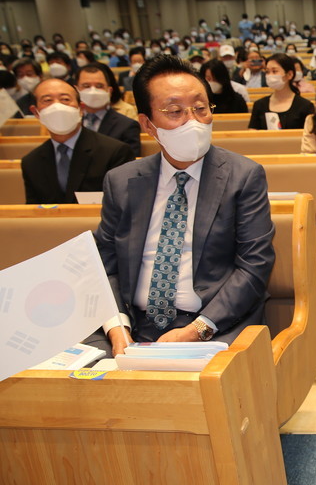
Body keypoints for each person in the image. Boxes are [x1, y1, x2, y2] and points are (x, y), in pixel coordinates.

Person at [91, 54, 275, 354]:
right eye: (175, 111)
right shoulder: (121, 181)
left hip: (213, 322)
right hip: (132, 321)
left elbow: (254, 267)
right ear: (148, 124)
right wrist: (116, 327)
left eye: (201, 109)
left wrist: (195, 331)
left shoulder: (243, 176)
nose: (193, 121)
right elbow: (104, 266)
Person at [21, 78, 133, 204]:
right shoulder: (31, 162)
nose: (57, 106)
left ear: (81, 108)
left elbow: (126, 205)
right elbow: (33, 212)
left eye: (65, 99)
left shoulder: (114, 152)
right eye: (47, 100)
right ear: (36, 112)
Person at [76, 63, 142, 156]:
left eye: (99, 86)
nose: (93, 91)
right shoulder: (68, 123)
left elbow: (129, 165)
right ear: (77, 90)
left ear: (109, 91)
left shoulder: (127, 126)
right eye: (86, 86)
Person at [248, 53, 315, 130]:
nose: (270, 75)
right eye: (267, 72)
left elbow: (310, 137)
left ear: (289, 74)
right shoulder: (259, 105)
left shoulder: (305, 106)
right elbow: (252, 133)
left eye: (274, 71)